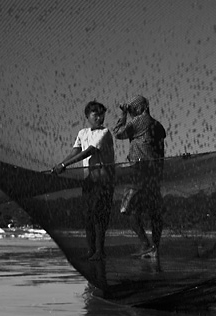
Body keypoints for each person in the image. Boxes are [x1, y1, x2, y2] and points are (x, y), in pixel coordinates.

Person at [51, 101, 116, 260]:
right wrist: (60, 164)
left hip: (103, 181)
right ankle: (90, 250)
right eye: (96, 115)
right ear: (87, 116)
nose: (100, 118)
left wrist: (65, 165)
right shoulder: (82, 132)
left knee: (99, 215)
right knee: (88, 215)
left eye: (102, 115)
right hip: (88, 180)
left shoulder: (105, 132)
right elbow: (76, 151)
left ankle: (100, 252)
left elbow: (89, 151)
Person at [113, 96, 167, 257]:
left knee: (128, 209)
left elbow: (118, 133)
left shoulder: (140, 121)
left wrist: (123, 114)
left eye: (133, 110)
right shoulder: (158, 125)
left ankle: (145, 244)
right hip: (154, 173)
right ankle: (155, 248)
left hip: (140, 171)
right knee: (154, 211)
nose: (131, 113)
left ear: (142, 108)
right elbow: (160, 152)